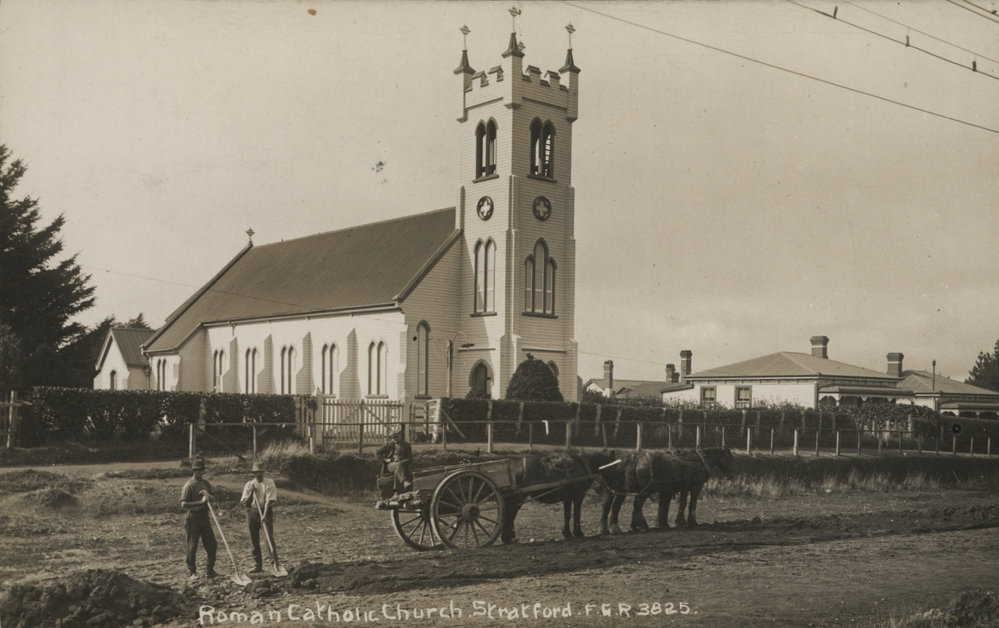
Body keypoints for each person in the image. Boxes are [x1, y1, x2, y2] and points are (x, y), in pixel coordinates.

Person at [180, 456, 218, 579]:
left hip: (204, 517)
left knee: (212, 544)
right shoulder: (188, 485)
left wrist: (208, 496)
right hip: (193, 517)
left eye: (202, 470)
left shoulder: (205, 483)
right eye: (199, 470)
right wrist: (200, 502)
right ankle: (192, 572)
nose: (201, 472)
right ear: (194, 471)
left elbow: (212, 498)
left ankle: (210, 570)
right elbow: (183, 504)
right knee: (192, 545)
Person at [239, 461, 278, 574]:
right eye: (256, 473)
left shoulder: (269, 483)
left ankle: (275, 563)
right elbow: (244, 503)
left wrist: (265, 515)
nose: (258, 475)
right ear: (254, 473)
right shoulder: (249, 484)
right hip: (252, 512)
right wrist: (251, 493)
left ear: (263, 472)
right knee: (253, 539)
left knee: (268, 538)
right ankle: (257, 565)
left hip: (265, 511)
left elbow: (269, 501)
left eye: (260, 472)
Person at [377, 426, 413, 495]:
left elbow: (409, 459)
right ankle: (404, 481)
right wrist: (385, 459)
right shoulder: (389, 444)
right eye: (393, 437)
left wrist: (402, 462)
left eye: (396, 437)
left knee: (398, 469)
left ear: (400, 435)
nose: (395, 439)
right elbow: (378, 453)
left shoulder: (406, 445)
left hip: (402, 465)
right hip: (390, 465)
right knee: (398, 466)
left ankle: (396, 492)